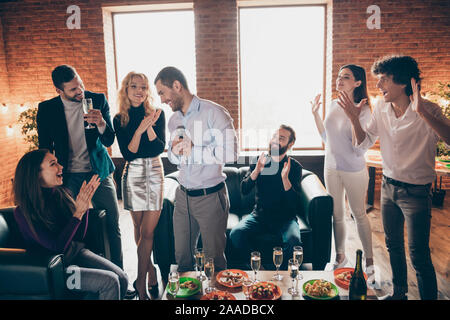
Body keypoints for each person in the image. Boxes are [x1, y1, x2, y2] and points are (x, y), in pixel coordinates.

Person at [339, 55, 450, 300]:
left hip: (417, 193)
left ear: (403, 83)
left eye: (384, 80)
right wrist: (354, 119)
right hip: (389, 188)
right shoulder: (381, 107)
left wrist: (422, 112)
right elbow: (363, 142)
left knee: (419, 254)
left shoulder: (428, 109)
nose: (378, 86)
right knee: (393, 246)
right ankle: (399, 294)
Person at [36, 65, 134, 298]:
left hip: (97, 172)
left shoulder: (97, 100)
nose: (80, 90)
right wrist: (50, 180)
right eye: (73, 89)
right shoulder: (47, 109)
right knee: (71, 224)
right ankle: (82, 278)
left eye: (80, 83)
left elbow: (109, 138)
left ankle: (120, 277)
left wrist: (100, 123)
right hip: (67, 175)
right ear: (59, 90)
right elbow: (43, 148)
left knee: (112, 224)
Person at [13, 149, 129, 300]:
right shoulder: (23, 213)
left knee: (122, 277)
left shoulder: (59, 194)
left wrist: (84, 209)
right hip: (55, 270)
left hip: (75, 254)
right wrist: (77, 214)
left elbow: (79, 237)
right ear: (36, 174)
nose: (61, 167)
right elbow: (57, 248)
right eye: (53, 164)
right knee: (110, 282)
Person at [154, 66, 238, 272]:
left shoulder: (214, 113)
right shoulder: (174, 121)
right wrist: (174, 151)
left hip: (210, 197)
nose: (162, 100)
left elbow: (231, 153)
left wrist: (193, 150)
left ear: (177, 85)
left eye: (162, 93)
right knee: (182, 258)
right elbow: (174, 157)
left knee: (214, 261)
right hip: (182, 198)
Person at [310, 64, 375, 280]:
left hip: (354, 170)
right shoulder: (332, 104)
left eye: (346, 77)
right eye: (339, 76)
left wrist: (353, 116)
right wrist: (315, 114)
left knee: (358, 214)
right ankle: (340, 257)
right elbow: (326, 137)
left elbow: (360, 145)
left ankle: (369, 262)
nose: (339, 80)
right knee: (337, 215)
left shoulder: (364, 109)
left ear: (358, 82)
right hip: (331, 168)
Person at [113, 71, 165, 300]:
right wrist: (141, 128)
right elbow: (129, 152)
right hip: (133, 173)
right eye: (134, 86)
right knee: (138, 228)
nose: (139, 91)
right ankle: (151, 271)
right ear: (126, 90)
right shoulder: (119, 119)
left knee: (147, 231)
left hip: (154, 172)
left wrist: (150, 124)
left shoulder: (157, 114)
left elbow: (158, 148)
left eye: (143, 87)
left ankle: (141, 283)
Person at [229, 125, 303, 270]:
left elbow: (294, 204)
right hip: (259, 217)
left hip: (286, 219)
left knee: (294, 241)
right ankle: (259, 269)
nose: (275, 141)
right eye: (274, 137)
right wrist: (256, 171)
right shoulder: (259, 161)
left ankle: (281, 275)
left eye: (281, 138)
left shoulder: (295, 167)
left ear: (290, 144)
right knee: (236, 233)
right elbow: (244, 189)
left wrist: (285, 179)